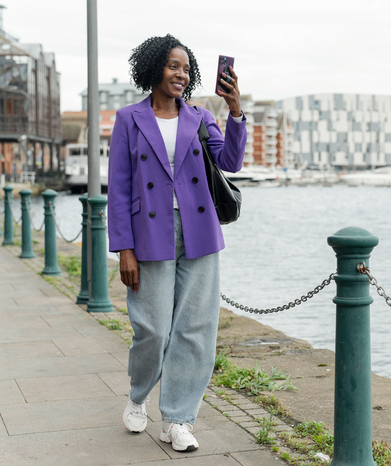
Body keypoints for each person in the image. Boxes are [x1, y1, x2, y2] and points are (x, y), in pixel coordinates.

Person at [107, 34, 246, 452]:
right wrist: (123, 249)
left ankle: (178, 419)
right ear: (154, 69)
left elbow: (230, 162)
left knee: (196, 329)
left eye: (186, 68)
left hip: (199, 231)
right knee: (152, 329)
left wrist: (235, 111)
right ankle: (137, 395)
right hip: (149, 233)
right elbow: (118, 187)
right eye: (172, 65)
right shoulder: (128, 118)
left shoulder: (200, 117)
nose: (180, 74)